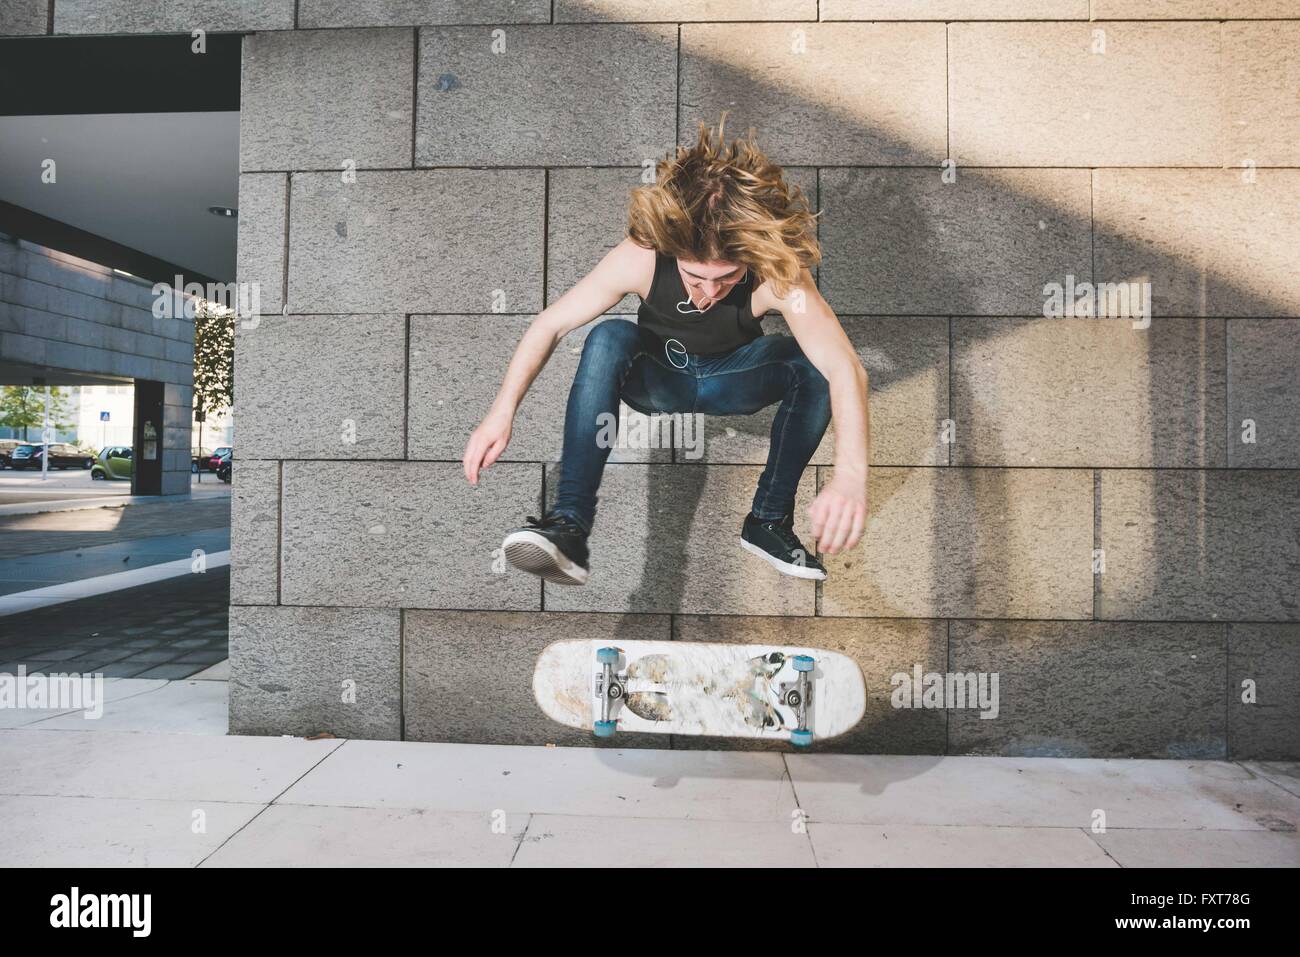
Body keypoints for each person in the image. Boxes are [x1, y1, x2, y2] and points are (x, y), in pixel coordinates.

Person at [463, 115, 870, 587]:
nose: (708, 293)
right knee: (609, 336)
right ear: (673, 249)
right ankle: (569, 525)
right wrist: (501, 411)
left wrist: (850, 476)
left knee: (814, 364)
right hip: (657, 380)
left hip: (729, 379)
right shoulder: (641, 255)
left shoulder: (777, 272)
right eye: (696, 278)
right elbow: (551, 324)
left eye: (727, 279)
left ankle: (768, 522)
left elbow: (846, 367)